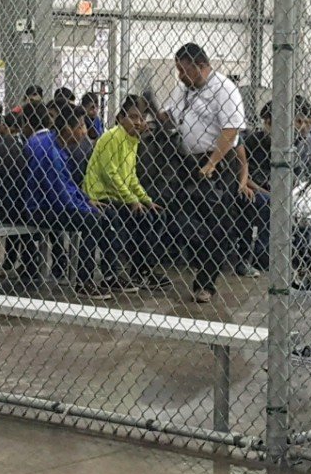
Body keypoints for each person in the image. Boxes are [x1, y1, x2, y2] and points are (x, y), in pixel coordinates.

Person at [170, 42, 249, 305]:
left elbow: (231, 130)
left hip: (216, 164)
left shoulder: (224, 89)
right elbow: (172, 115)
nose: (180, 76)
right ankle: (199, 267)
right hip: (188, 163)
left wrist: (213, 162)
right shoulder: (185, 89)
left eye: (184, 70)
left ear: (201, 66)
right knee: (183, 221)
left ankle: (205, 283)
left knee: (214, 227)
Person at [26, 100, 110, 298]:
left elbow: (67, 183)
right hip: (39, 209)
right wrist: (86, 209)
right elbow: (61, 197)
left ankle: (108, 275)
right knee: (93, 220)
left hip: (48, 202)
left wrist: (85, 199)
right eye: (80, 126)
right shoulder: (51, 152)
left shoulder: (53, 143)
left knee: (100, 212)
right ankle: (84, 282)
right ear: (67, 129)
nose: (84, 131)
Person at [84, 96, 163, 289]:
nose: (139, 122)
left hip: (119, 196)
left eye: (142, 118)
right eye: (133, 117)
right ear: (121, 118)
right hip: (102, 195)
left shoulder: (132, 141)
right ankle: (112, 275)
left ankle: (141, 271)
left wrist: (145, 199)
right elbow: (110, 173)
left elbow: (131, 176)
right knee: (115, 221)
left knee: (152, 215)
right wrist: (131, 200)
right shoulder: (113, 137)